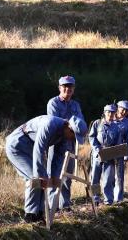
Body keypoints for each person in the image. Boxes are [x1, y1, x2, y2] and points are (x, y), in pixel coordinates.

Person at [5, 115, 87, 223]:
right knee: (34, 178)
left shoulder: (64, 137)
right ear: (69, 128)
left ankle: (38, 214)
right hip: (17, 145)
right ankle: (30, 215)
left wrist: (54, 177)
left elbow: (57, 158)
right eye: (74, 136)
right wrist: (40, 175)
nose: (73, 140)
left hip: (31, 148)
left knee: (45, 179)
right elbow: (39, 149)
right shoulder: (49, 124)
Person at [46, 75, 84, 212]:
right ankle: (53, 206)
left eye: (70, 87)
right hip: (56, 143)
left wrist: (75, 128)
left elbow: (81, 124)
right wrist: (72, 126)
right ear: (60, 88)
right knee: (54, 176)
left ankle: (65, 205)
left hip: (71, 143)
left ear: (73, 89)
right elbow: (56, 124)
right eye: (65, 86)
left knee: (67, 176)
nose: (67, 89)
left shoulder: (75, 105)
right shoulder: (53, 103)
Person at [89, 104, 120, 206]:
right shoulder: (97, 123)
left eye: (113, 113)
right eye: (108, 112)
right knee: (95, 178)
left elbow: (118, 142)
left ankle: (108, 200)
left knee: (108, 179)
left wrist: (115, 153)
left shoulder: (116, 127)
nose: (110, 114)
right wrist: (97, 148)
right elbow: (92, 137)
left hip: (109, 155)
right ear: (104, 113)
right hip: (97, 154)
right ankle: (95, 199)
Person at [114, 100, 128, 203]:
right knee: (107, 175)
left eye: (127, 111)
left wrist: (127, 155)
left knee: (119, 176)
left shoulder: (127, 123)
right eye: (123, 109)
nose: (124, 112)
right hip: (107, 151)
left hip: (120, 151)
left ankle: (118, 199)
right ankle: (105, 197)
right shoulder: (109, 116)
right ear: (118, 107)